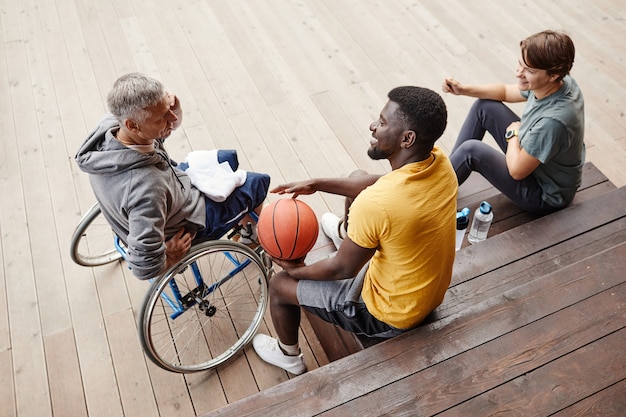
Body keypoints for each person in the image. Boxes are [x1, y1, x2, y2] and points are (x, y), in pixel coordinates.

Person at [252, 86, 457, 375]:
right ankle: (350, 236)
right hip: (424, 289)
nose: (373, 126)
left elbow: (341, 269)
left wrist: (294, 271)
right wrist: (317, 183)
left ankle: (288, 355)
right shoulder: (439, 162)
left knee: (279, 285)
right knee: (358, 178)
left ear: (407, 138)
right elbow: (379, 186)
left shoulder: (379, 204)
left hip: (390, 313)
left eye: (383, 123)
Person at [75, 73, 270, 280]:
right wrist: (171, 256)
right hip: (187, 220)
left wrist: (170, 109)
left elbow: (162, 132)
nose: (173, 118)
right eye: (163, 117)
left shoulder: (110, 127)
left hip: (172, 188)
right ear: (133, 125)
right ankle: (250, 236)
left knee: (228, 157)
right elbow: (145, 270)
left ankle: (240, 219)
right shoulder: (147, 189)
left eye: (168, 110)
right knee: (257, 183)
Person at [443, 30, 585, 215]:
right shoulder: (560, 81)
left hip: (544, 195)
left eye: (530, 71)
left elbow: (517, 171)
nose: (519, 73)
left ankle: (431, 194)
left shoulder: (553, 122)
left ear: (553, 75)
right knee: (484, 107)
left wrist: (513, 135)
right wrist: (463, 90)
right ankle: (447, 177)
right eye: (520, 64)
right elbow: (505, 92)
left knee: (472, 151)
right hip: (536, 162)